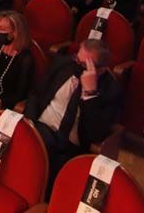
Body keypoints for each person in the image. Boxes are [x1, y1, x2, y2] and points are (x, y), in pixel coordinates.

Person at [24, 38, 121, 186]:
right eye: (77, 59)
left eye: (84, 65)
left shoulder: (111, 90)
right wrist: (29, 122)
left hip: (69, 145)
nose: (77, 65)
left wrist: (90, 94)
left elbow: (95, 134)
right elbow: (36, 93)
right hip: (40, 127)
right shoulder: (62, 63)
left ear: (100, 69)